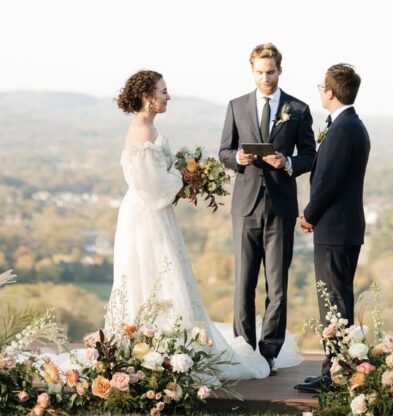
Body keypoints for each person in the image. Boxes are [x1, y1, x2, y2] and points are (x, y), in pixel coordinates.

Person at [105, 68, 289, 380]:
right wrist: (181, 177)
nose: (168, 96)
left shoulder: (148, 127)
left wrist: (183, 178)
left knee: (164, 275)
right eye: (163, 91)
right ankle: (150, 347)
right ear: (148, 98)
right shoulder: (142, 131)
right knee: (153, 274)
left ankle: (161, 346)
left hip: (152, 212)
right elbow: (151, 186)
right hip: (145, 216)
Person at [219, 43, 316, 373]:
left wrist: (287, 161)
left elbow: (309, 156)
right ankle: (244, 348)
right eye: (260, 72)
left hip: (281, 208)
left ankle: (270, 351)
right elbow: (224, 151)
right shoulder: (236, 106)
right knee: (243, 283)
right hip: (245, 208)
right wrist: (238, 159)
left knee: (277, 285)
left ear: (280, 70)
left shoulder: (298, 109)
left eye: (270, 72)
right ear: (252, 71)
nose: (266, 78)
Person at [295, 63, 371, 393]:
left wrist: (308, 214)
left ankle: (335, 375)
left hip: (337, 230)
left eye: (321, 87)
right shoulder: (348, 125)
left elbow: (329, 181)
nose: (320, 92)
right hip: (340, 229)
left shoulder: (344, 129)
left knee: (334, 305)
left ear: (330, 92)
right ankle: (336, 368)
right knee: (335, 303)